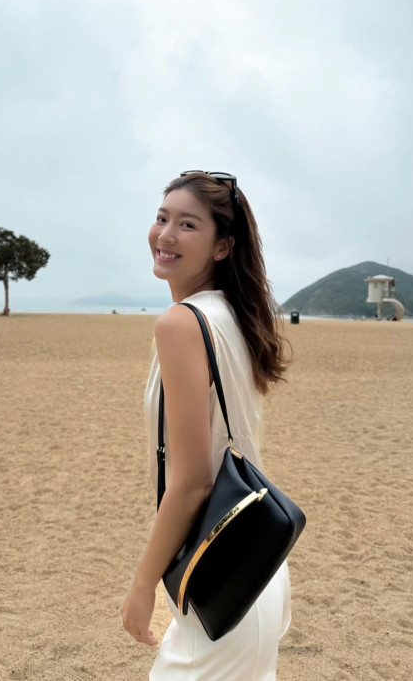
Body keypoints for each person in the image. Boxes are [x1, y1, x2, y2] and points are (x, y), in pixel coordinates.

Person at [120, 171, 293, 680]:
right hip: (255, 566)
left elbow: (194, 480)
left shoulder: (181, 323)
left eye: (188, 224)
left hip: (220, 579)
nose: (166, 234)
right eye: (162, 217)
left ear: (223, 247)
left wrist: (142, 587)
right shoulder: (232, 314)